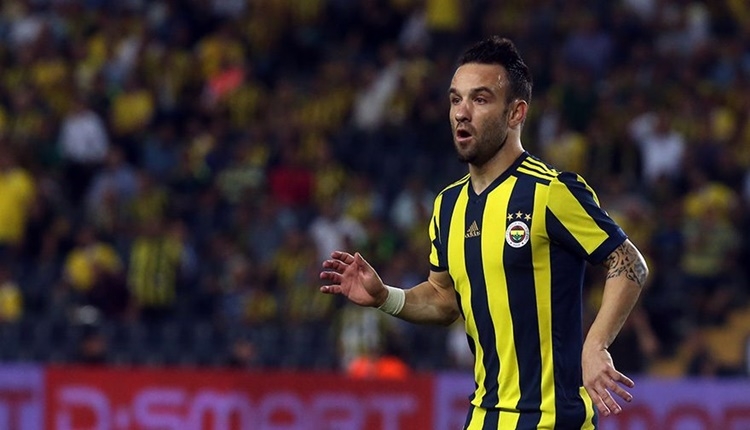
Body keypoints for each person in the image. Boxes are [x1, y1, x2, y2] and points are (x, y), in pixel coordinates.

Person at [320, 36, 649, 429]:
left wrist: (596, 344)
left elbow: (628, 261)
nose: (462, 113)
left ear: (515, 113)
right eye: (455, 99)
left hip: (552, 421)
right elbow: (444, 298)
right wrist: (385, 297)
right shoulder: (447, 205)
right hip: (482, 418)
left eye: (480, 99)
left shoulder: (550, 192)